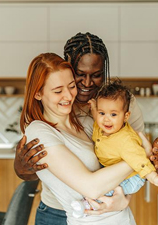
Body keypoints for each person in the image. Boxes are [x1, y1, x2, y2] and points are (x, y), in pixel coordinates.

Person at [14, 32, 158, 224]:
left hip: (110, 211)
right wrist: (22, 167)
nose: (87, 83)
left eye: (96, 75)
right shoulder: (44, 126)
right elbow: (91, 181)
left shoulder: (118, 106)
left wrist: (123, 199)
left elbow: (130, 155)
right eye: (80, 75)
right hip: (54, 210)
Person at [21, 52, 137, 224]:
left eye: (71, 86)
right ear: (38, 94)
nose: (68, 96)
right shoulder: (38, 132)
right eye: (58, 91)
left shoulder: (84, 125)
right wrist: (140, 157)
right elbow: (91, 187)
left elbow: (114, 165)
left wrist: (123, 199)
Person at [71, 80, 158, 218]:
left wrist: (154, 178)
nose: (106, 120)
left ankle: (87, 206)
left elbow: (140, 161)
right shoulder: (101, 126)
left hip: (131, 179)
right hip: (118, 171)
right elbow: (97, 117)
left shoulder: (126, 141)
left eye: (113, 115)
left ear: (126, 116)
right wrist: (94, 107)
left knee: (105, 188)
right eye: (102, 113)